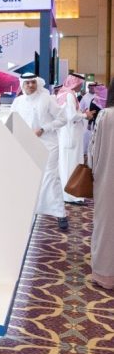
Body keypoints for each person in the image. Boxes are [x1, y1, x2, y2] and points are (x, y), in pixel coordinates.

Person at [11, 73, 69, 229]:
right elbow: (13, 121)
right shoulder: (18, 102)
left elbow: (63, 119)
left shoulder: (47, 99)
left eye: (33, 82)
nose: (30, 85)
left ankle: (60, 213)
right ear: (22, 85)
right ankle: (30, 211)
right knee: (29, 177)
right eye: (27, 83)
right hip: (26, 144)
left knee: (50, 177)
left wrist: (44, 129)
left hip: (48, 144)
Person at [89, 85, 114, 289]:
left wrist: (93, 170)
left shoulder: (106, 115)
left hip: (107, 178)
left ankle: (105, 274)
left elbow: (93, 148)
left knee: (107, 224)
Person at [57, 73, 92, 203]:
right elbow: (71, 116)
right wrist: (85, 115)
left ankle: (69, 194)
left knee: (67, 164)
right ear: (75, 83)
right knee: (71, 164)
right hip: (70, 134)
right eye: (80, 84)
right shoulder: (69, 95)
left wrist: (82, 114)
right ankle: (71, 195)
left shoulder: (62, 94)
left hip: (67, 134)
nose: (81, 87)